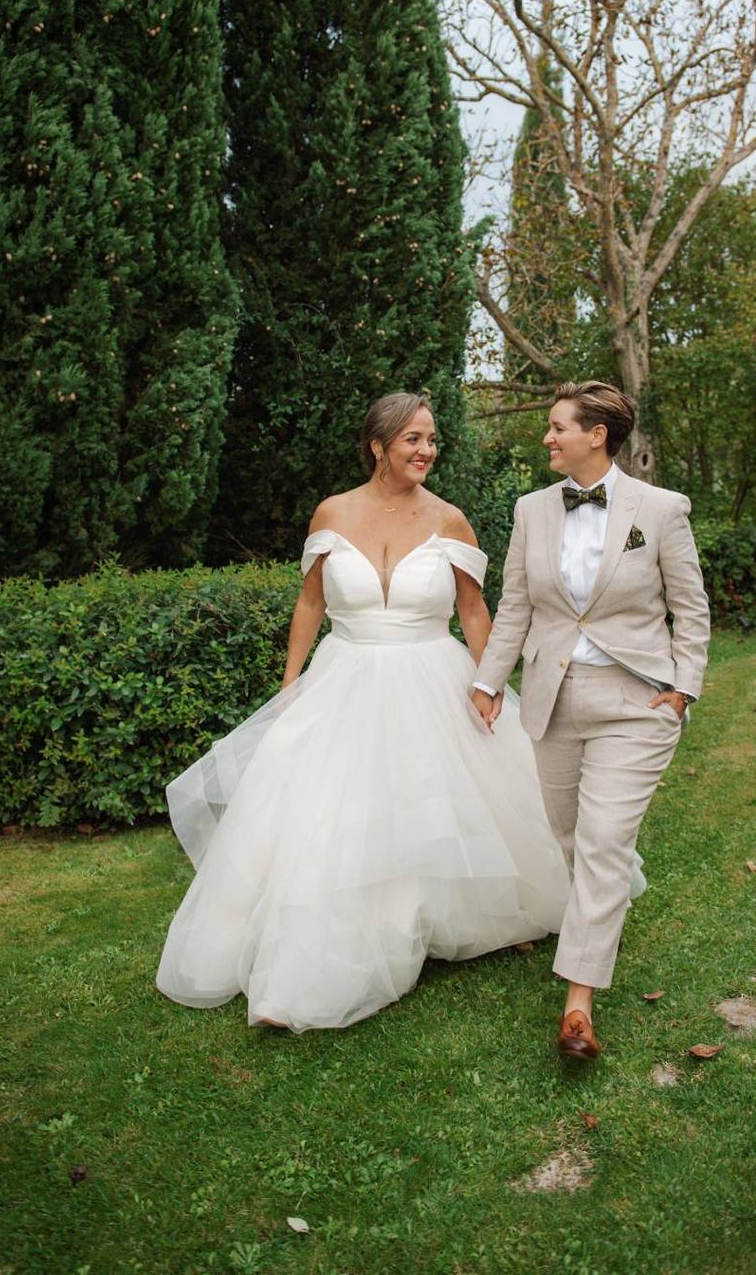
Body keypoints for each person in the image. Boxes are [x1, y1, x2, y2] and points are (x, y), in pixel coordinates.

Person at [156, 392, 569, 1031]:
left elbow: (472, 610)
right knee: (333, 809)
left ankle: (485, 914)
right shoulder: (332, 513)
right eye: (413, 439)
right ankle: (324, 942)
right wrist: (290, 685)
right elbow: (311, 604)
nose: (427, 450)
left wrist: (490, 684)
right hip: (343, 677)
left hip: (432, 675)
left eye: (431, 439)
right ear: (378, 445)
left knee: (447, 801)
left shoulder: (451, 520)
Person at [471, 381, 710, 1062]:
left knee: (604, 842)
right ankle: (599, 922)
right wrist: (490, 680)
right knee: (570, 834)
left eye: (557, 427)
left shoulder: (660, 510)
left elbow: (690, 609)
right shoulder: (529, 510)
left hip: (637, 701)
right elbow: (515, 604)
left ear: (596, 435)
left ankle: (578, 1006)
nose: (547, 438)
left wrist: (681, 689)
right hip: (553, 697)